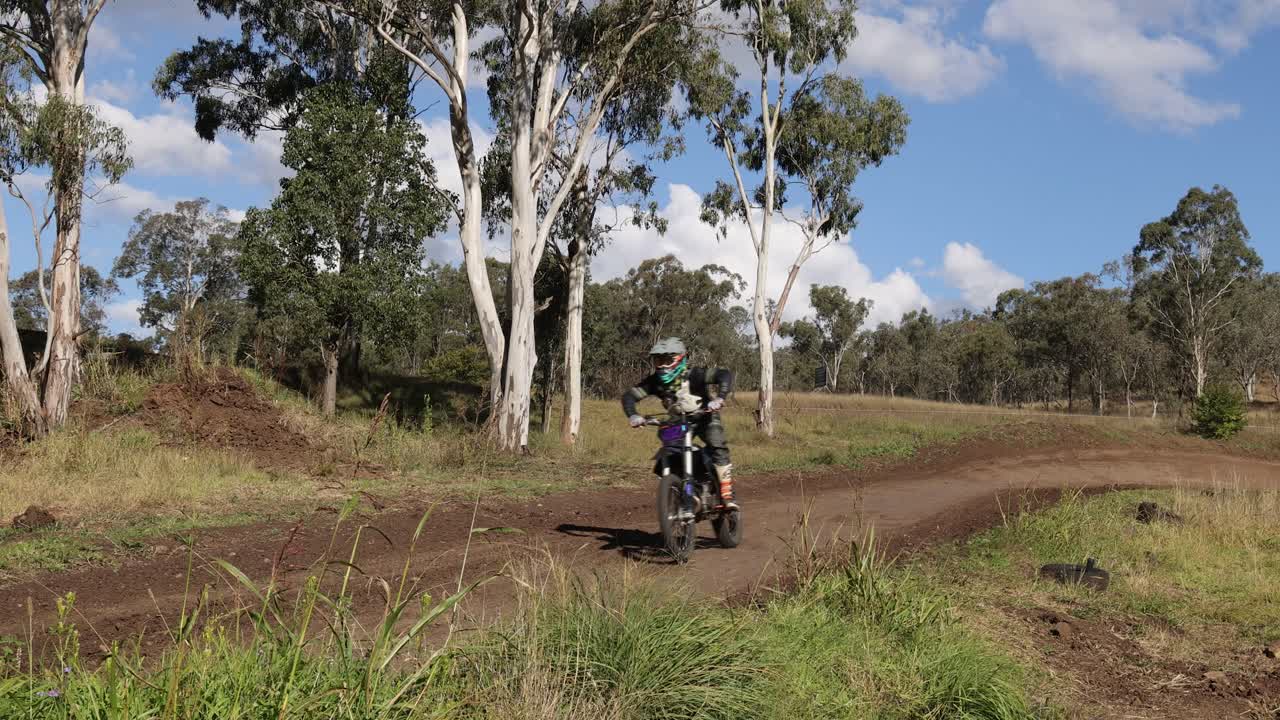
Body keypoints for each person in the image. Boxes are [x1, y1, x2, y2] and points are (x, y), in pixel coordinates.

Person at [621, 337, 737, 509]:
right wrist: (633, 415)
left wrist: (720, 398)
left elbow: (724, 374)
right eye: (658, 361)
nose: (662, 366)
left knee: (716, 442)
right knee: (671, 450)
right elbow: (629, 396)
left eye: (667, 360)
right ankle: (681, 485)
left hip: (705, 416)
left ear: (681, 359)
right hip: (679, 421)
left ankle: (726, 491)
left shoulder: (695, 375)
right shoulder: (654, 382)